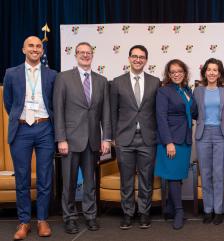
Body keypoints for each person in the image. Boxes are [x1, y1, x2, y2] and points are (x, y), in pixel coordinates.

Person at [53, 42, 111, 234]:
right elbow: (58, 110)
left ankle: (90, 216)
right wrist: (61, 138)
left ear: (92, 56)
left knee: (90, 183)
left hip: (93, 141)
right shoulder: (63, 78)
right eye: (82, 53)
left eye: (89, 53)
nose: (85, 55)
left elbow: (106, 112)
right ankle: (69, 217)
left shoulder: (101, 80)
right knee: (68, 184)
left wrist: (106, 138)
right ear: (76, 55)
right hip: (69, 141)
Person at [3, 36, 57, 240]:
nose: (35, 49)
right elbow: (9, 103)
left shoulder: (52, 74)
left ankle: (42, 220)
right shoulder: (11, 73)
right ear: (23, 49)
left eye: (38, 46)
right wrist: (22, 119)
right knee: (22, 179)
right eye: (31, 46)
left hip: (45, 129)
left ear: (42, 51)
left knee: (45, 178)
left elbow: (54, 103)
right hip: (21, 130)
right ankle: (24, 221)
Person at [110, 45, 160, 230]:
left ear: (146, 60)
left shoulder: (155, 82)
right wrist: (112, 136)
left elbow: (158, 112)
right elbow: (112, 111)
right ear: (129, 58)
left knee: (147, 179)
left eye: (142, 57)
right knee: (126, 179)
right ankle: (128, 213)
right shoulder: (117, 82)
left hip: (148, 138)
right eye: (135, 56)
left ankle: (144, 213)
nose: (138, 60)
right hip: (124, 139)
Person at [155, 59, 197, 230]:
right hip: (171, 139)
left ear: (185, 73)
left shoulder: (186, 90)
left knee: (177, 175)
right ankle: (179, 212)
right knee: (172, 175)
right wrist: (168, 142)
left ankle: (171, 207)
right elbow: (161, 117)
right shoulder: (164, 91)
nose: (176, 74)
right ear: (168, 75)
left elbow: (194, 112)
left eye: (179, 71)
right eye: (173, 72)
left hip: (185, 138)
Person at [193, 58, 224, 225]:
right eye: (209, 69)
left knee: (218, 174)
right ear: (204, 72)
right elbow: (193, 112)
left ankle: (219, 210)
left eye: (215, 70)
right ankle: (207, 210)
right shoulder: (198, 91)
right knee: (206, 173)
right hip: (203, 134)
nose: (211, 73)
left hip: (221, 134)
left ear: (220, 73)